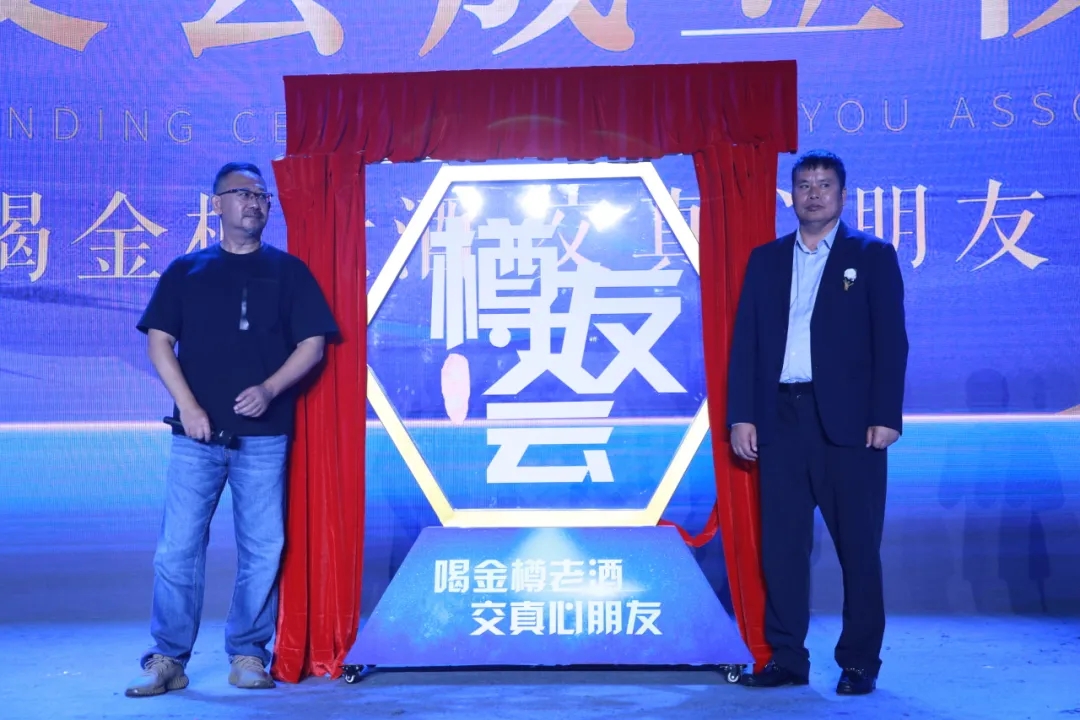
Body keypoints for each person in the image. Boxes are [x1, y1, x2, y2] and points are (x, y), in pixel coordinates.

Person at [125, 162, 338, 697]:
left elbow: (312, 345)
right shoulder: (187, 270)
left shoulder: (288, 272)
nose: (255, 203)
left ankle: (248, 653)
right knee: (177, 551)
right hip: (195, 438)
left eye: (262, 196)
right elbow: (158, 341)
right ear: (216, 204)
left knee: (263, 548)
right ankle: (168, 658)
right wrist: (189, 407)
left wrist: (269, 388)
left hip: (264, 438)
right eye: (242, 194)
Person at [727, 150, 908, 696]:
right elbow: (746, 344)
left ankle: (859, 662)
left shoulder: (871, 256)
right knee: (782, 548)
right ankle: (787, 657)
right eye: (804, 184)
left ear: (842, 195)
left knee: (858, 547)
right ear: (792, 195)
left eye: (824, 185)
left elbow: (891, 341)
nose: (813, 194)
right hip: (779, 419)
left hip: (851, 427)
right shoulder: (766, 260)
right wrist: (742, 415)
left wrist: (885, 416)